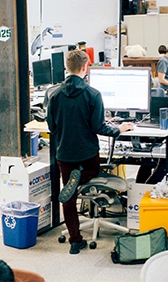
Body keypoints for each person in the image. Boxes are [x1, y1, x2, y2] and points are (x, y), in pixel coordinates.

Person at [46, 49, 134, 254]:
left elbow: (52, 127)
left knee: (68, 197)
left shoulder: (54, 94)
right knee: (96, 171)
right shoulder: (92, 94)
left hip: (64, 155)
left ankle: (75, 240)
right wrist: (118, 129)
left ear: (67, 67)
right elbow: (98, 128)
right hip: (87, 155)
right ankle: (84, 176)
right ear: (85, 67)